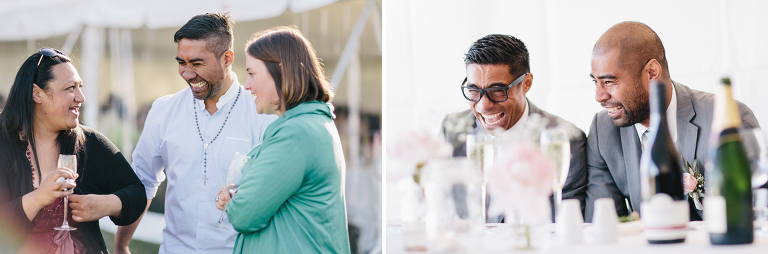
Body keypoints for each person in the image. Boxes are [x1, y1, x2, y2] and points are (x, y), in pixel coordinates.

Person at [114, 13, 276, 253]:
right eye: (181, 62)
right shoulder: (163, 111)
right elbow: (144, 181)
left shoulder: (261, 115)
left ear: (227, 59)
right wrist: (121, 245)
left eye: (197, 63)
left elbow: (273, 193)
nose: (187, 74)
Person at [585, 21, 760, 222]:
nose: (599, 96)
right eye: (595, 82)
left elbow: (754, 216)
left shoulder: (727, 118)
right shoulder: (602, 131)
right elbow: (603, 227)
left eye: (609, 81)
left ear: (651, 72)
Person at [214, 26, 351, 253]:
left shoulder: (295, 135)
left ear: (281, 72)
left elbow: (245, 215)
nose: (246, 85)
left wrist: (234, 201)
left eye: (252, 73)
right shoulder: (311, 124)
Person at [0, 48, 147, 253]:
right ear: (37, 94)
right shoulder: (4, 145)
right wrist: (38, 198)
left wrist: (109, 204)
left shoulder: (88, 142)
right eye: (70, 88)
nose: (81, 97)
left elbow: (137, 193)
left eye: (80, 86)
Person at [440, 34, 588, 221]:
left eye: (497, 91)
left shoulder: (565, 138)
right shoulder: (453, 130)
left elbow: (566, 221)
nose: (483, 105)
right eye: (474, 91)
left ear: (526, 84)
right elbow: (442, 207)